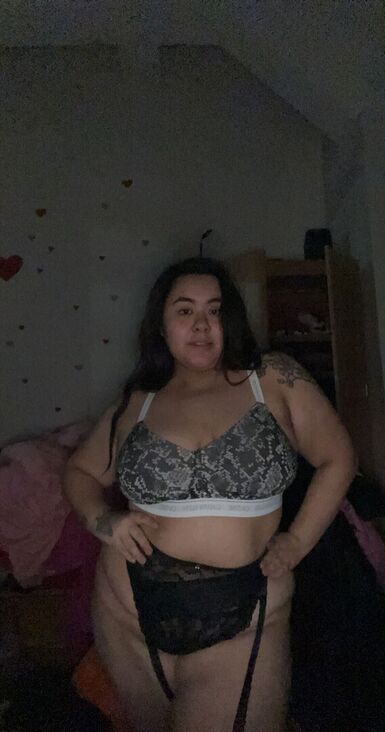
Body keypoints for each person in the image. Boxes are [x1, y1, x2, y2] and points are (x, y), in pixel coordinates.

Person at [63, 256, 356, 731]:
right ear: (161, 325)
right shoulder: (139, 399)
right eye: (185, 310)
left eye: (215, 311)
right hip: (128, 610)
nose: (201, 324)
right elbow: (80, 472)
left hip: (247, 609)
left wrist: (299, 540)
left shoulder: (273, 378)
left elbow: (338, 458)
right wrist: (105, 520)